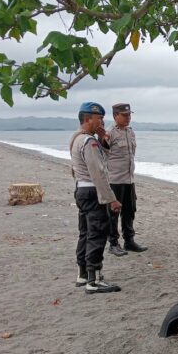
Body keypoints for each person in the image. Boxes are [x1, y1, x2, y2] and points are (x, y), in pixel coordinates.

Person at [69, 102, 122, 294]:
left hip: (82, 190)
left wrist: (102, 138)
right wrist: (111, 199)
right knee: (97, 234)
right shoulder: (88, 142)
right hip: (92, 192)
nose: (102, 122)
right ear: (87, 119)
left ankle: (82, 274)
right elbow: (98, 172)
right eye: (99, 118)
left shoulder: (77, 138)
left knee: (85, 232)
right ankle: (94, 280)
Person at [103, 103, 147, 256]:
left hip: (129, 179)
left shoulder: (130, 132)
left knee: (130, 211)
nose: (128, 118)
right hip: (115, 179)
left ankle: (129, 241)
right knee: (113, 213)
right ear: (116, 116)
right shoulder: (109, 133)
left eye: (129, 115)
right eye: (124, 115)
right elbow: (102, 156)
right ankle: (113, 244)